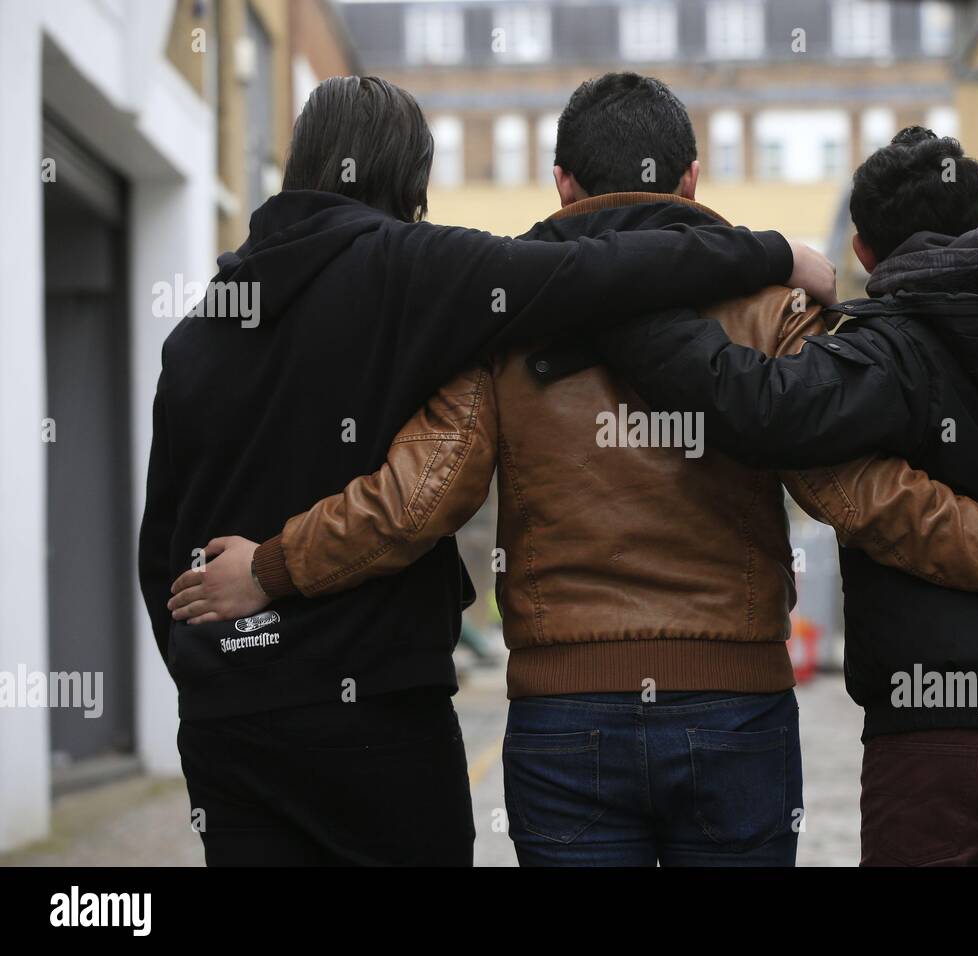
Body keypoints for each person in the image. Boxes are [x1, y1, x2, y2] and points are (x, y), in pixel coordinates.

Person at [167, 76, 978, 867]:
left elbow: (418, 498)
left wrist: (274, 566)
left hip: (564, 718)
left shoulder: (505, 316)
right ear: (695, 178)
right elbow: (851, 486)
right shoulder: (765, 301)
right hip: (736, 709)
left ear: (562, 182)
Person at [136, 74, 838, 867]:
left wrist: (214, 658)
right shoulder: (413, 266)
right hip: (387, 707)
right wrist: (776, 253)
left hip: (240, 712)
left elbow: (170, 538)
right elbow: (598, 274)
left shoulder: (202, 326)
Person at [594, 127, 978, 866]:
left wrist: (620, 298)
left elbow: (751, 406)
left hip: (931, 750)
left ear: (863, 253)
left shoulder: (889, 354)